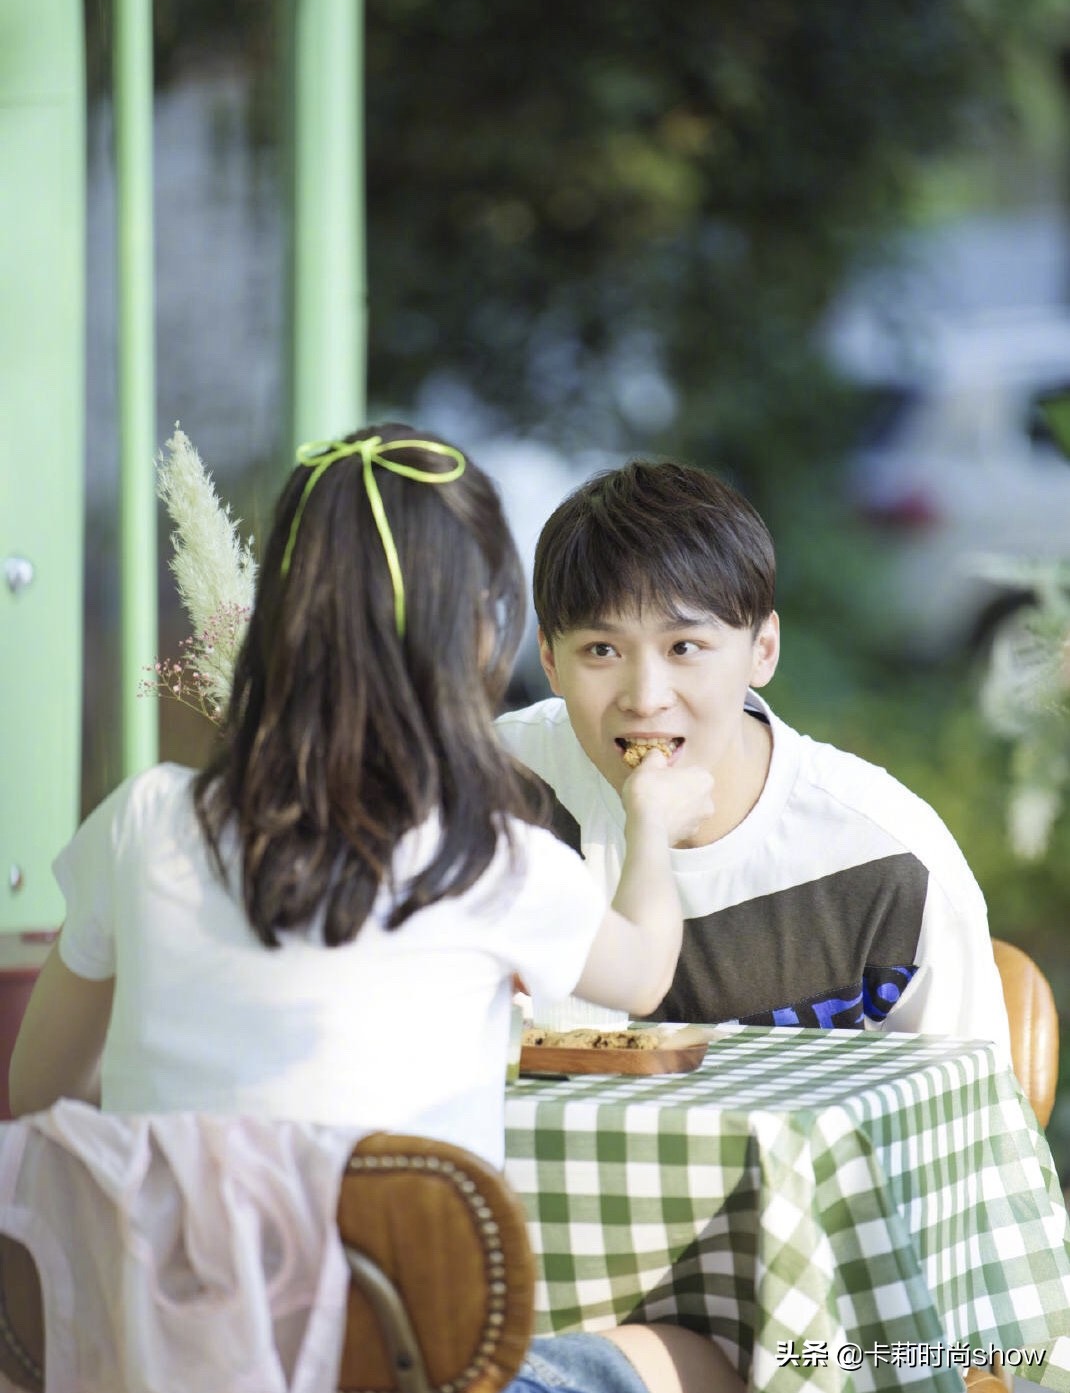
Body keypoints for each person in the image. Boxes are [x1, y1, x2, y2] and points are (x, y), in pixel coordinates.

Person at [7, 426, 741, 1393]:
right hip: (413, 1369)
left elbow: (40, 1094)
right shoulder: (489, 855)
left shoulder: (144, 822)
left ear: (276, 616)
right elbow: (646, 975)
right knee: (705, 1355)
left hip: (156, 1365)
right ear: (483, 630)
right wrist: (649, 827)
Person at [496, 457, 1012, 1061]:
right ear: (550, 662)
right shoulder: (491, 794)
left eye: (684, 646)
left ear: (761, 651)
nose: (645, 699)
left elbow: (966, 1124)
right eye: (601, 649)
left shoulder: (884, 858)